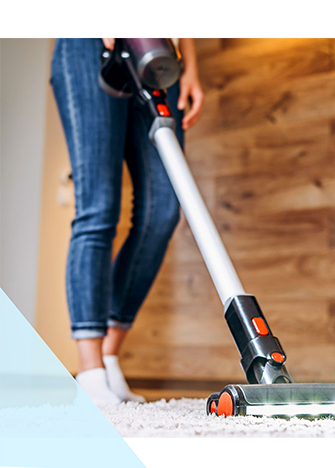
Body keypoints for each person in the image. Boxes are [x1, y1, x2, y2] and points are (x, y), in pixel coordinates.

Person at [50, 37, 204, 405]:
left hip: (159, 51)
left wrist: (191, 66)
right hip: (91, 47)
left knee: (163, 210)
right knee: (99, 206)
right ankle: (90, 372)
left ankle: (108, 357)